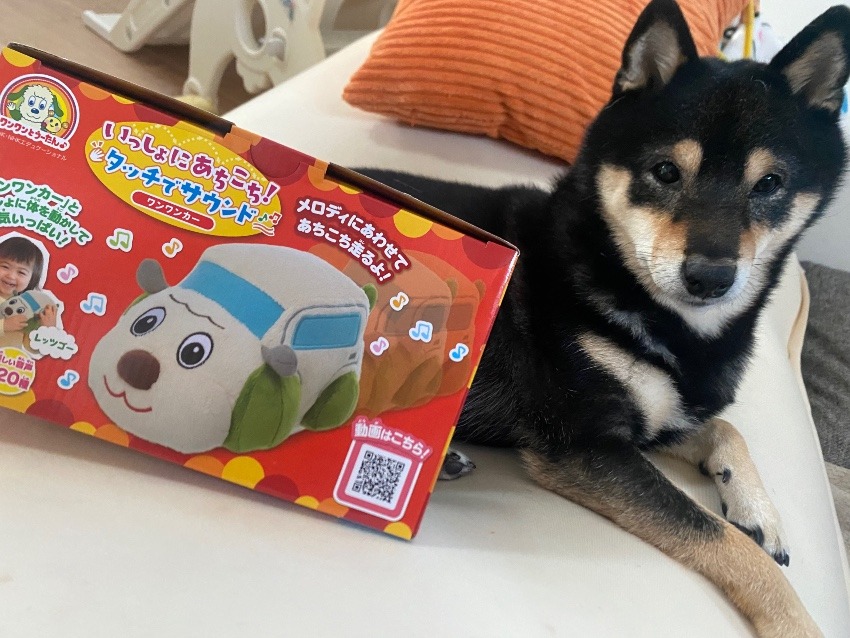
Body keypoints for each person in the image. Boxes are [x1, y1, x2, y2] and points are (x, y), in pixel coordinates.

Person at [0, 236, 58, 349]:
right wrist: (4, 325)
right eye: (5, 267)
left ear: (32, 279)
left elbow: (31, 347)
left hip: (9, 359)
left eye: (21, 272)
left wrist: (47, 330)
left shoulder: (27, 308)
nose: (11, 276)